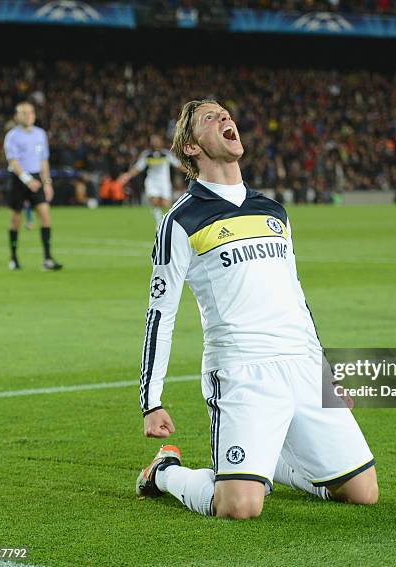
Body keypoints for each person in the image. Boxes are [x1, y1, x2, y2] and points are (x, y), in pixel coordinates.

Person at [135, 99, 378, 519]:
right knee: (240, 507)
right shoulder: (180, 220)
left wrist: (325, 375)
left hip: (300, 366)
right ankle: (165, 472)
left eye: (226, 114)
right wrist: (151, 400)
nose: (226, 118)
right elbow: (161, 313)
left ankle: (259, 463)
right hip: (242, 370)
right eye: (211, 118)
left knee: (362, 492)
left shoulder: (273, 210)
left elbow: (296, 298)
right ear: (191, 147)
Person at [3, 101, 62, 271]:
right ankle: (14, 258)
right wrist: (27, 179)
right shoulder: (12, 136)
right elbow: (13, 161)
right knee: (16, 218)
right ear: (17, 116)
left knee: (45, 216)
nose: (28, 115)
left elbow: (43, 160)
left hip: (37, 177)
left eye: (31, 112)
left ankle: (48, 258)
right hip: (19, 178)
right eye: (24, 113)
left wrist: (47, 183)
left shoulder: (40, 134)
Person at [118, 134, 183, 226]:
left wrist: (191, 171)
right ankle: (159, 223)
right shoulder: (147, 155)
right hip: (152, 182)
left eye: (157, 140)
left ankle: (165, 222)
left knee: (166, 205)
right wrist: (128, 175)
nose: (155, 142)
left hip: (164, 182)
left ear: (161, 142)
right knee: (154, 201)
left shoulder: (166, 154)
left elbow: (178, 165)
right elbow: (138, 168)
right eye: (153, 140)